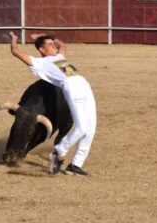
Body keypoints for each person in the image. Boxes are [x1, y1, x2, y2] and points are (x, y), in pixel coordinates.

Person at [7, 32, 96, 176]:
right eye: (49, 45)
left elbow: (62, 45)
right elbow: (15, 52)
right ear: (41, 50)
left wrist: (46, 36)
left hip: (85, 88)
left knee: (90, 130)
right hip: (72, 88)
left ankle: (75, 165)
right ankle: (59, 151)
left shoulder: (59, 57)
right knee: (81, 127)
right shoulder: (38, 63)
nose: (54, 46)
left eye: (53, 44)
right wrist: (14, 40)